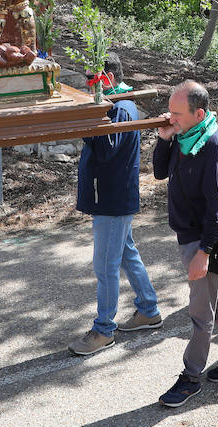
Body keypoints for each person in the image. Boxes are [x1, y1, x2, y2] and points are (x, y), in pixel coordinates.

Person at [152, 81, 218, 408]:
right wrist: (164, 138)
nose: (171, 117)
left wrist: (203, 253)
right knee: (215, 297)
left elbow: (217, 209)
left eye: (177, 113)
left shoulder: (213, 146)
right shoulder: (184, 135)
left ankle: (191, 376)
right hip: (189, 234)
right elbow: (158, 172)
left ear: (199, 113)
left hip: (203, 238)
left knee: (201, 314)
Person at [69, 54, 162, 355]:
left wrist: (86, 120)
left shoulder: (120, 107)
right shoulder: (118, 104)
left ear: (107, 78)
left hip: (112, 198)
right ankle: (148, 309)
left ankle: (104, 330)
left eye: (91, 78)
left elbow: (107, 149)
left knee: (105, 267)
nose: (87, 83)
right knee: (126, 255)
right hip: (113, 195)